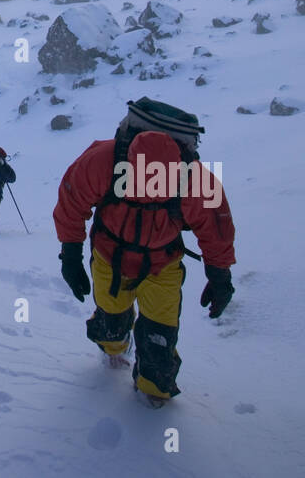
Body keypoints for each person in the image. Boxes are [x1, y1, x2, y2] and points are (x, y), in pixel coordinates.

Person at [52, 98, 236, 405]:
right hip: (110, 257)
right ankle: (114, 347)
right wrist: (70, 254)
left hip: (162, 264)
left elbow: (216, 229)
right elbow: (72, 202)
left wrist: (220, 274)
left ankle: (154, 389)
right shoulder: (103, 161)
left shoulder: (194, 180)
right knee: (110, 324)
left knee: (159, 338)